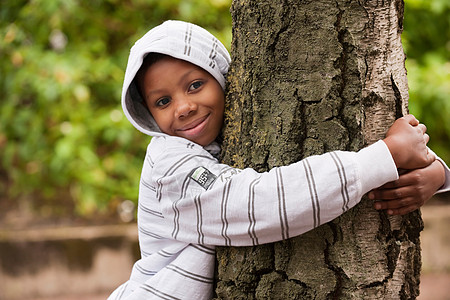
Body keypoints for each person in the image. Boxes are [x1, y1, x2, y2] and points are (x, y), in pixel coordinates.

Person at [108, 20, 449, 300]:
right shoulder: (171, 166)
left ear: (224, 78)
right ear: (149, 114)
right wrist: (382, 158)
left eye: (195, 85)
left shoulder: (218, 144)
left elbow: (415, 151)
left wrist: (435, 173)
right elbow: (261, 204)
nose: (183, 107)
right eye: (163, 101)